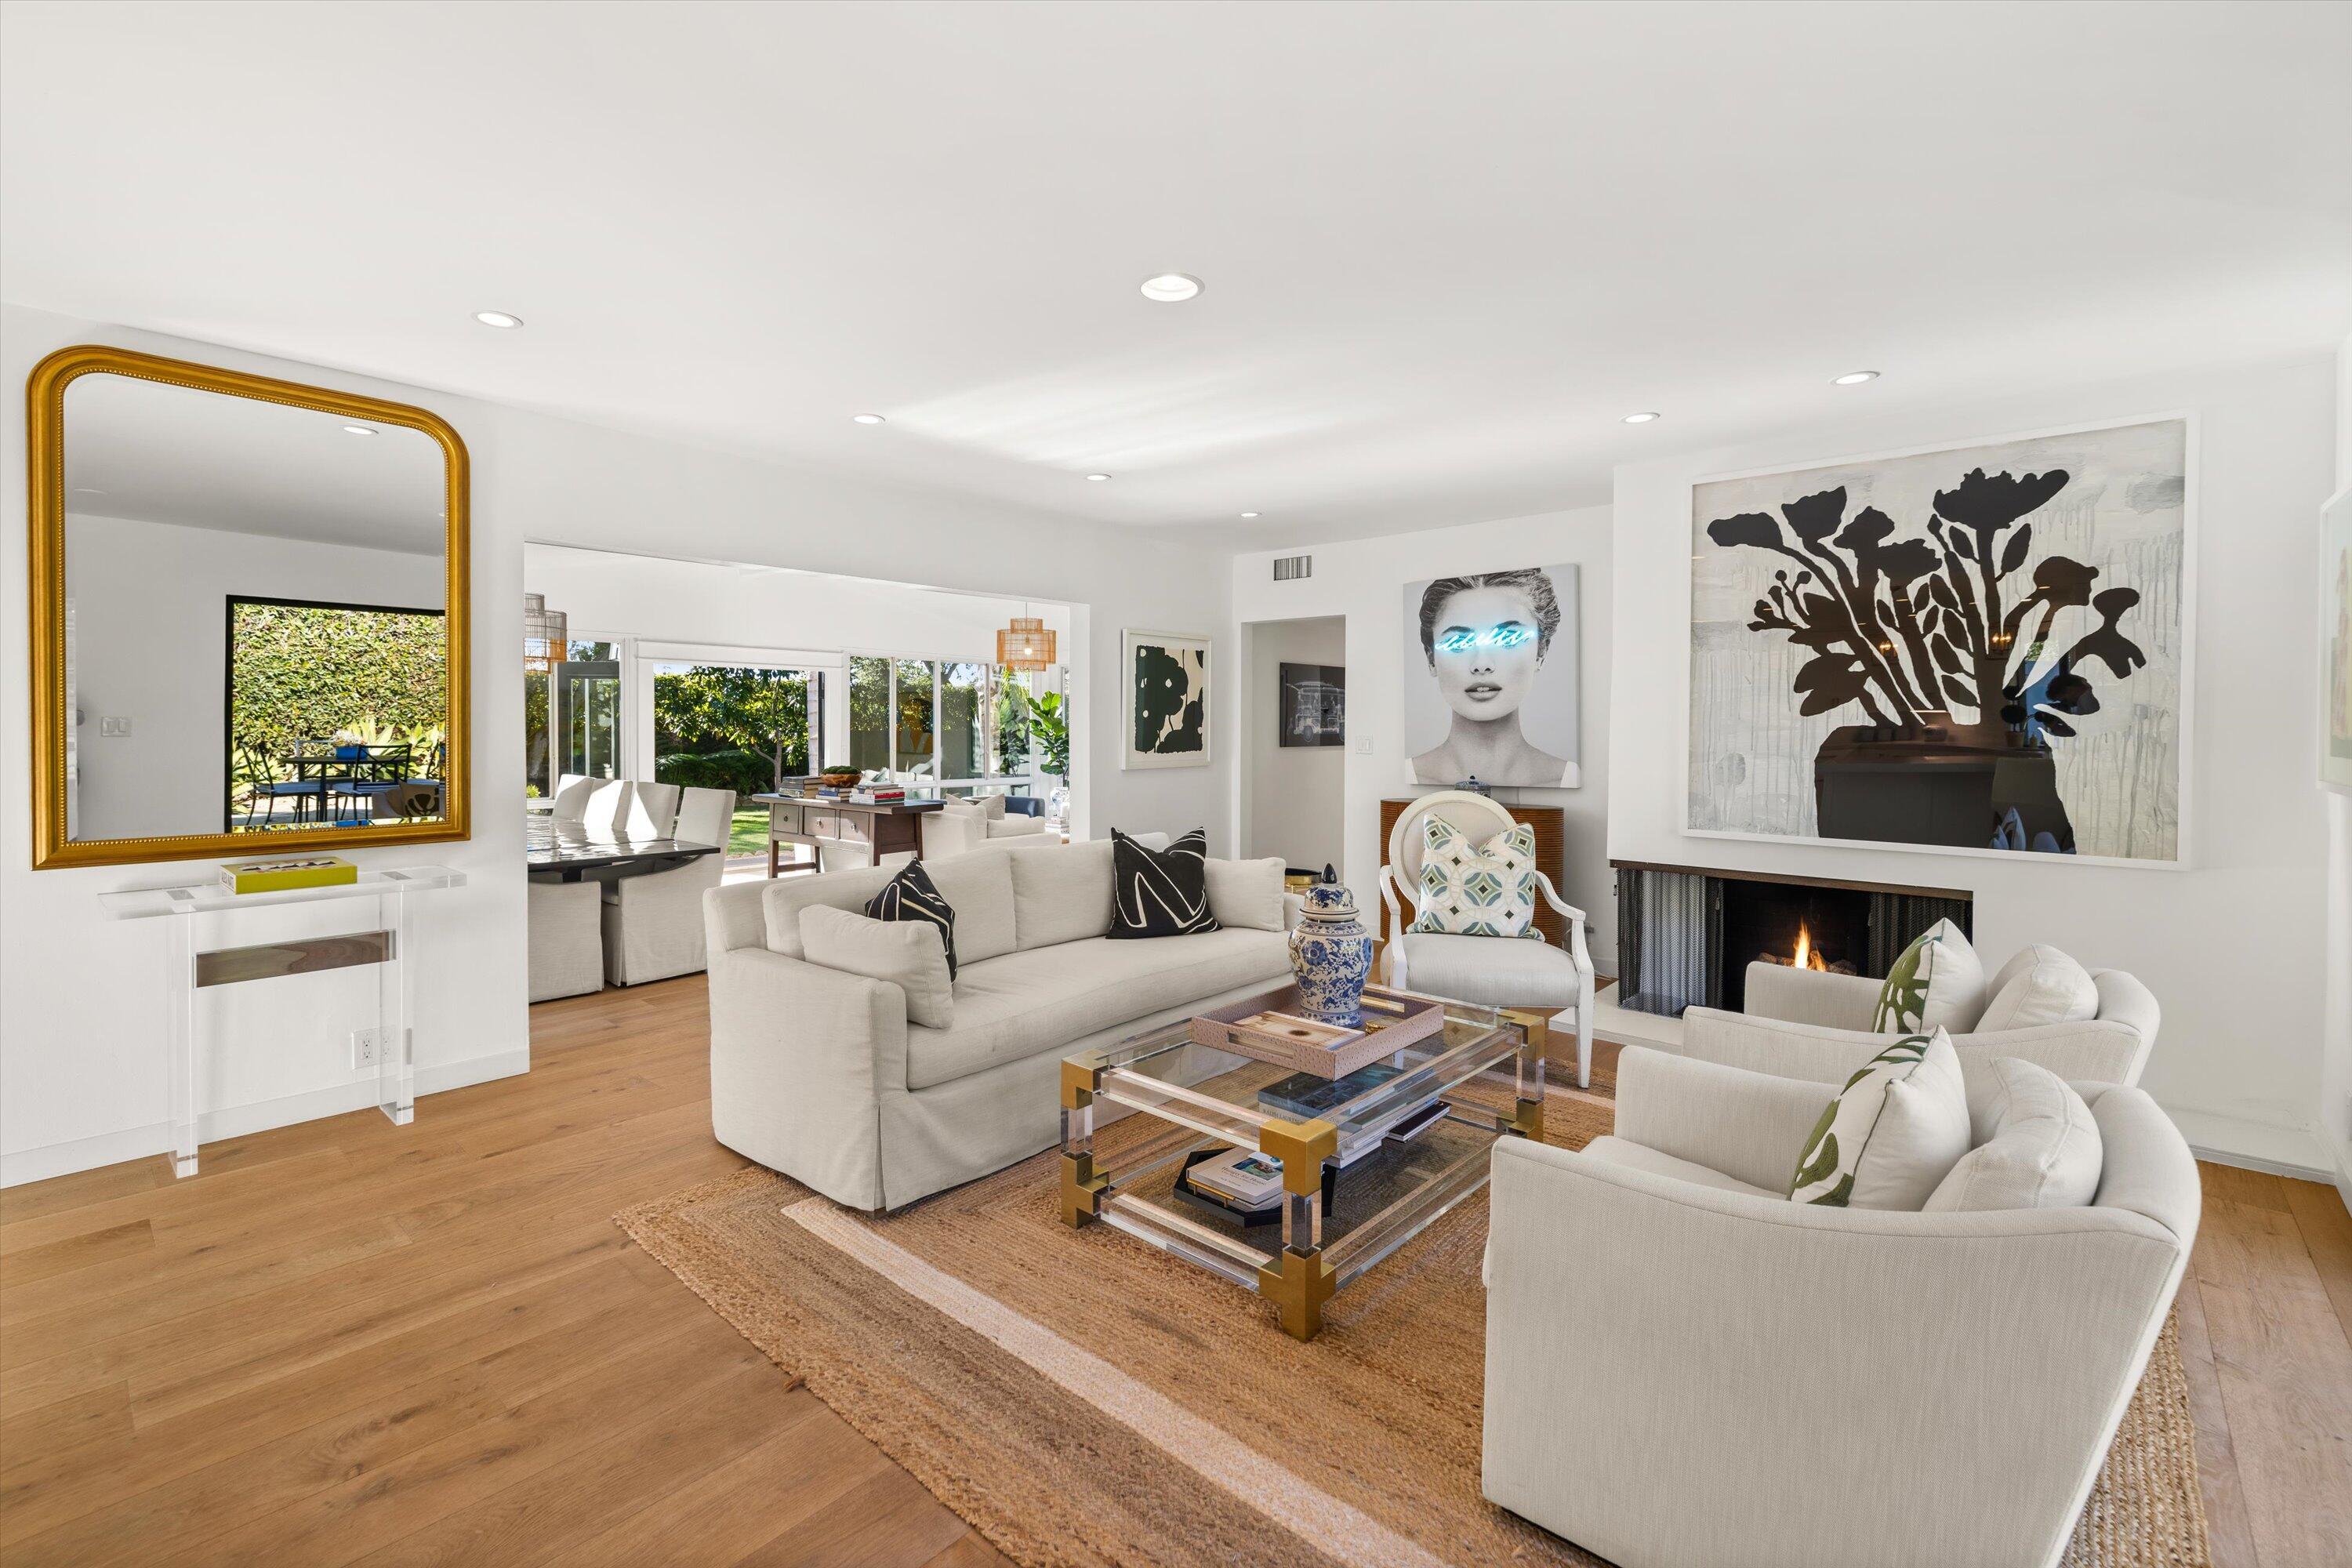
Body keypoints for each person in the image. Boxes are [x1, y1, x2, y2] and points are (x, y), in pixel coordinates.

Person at [1410, 568, 1572, 786]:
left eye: (1508, 638)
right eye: (1458, 642)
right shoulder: (1409, 775)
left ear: (1541, 652)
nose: (1481, 665)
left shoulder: (1566, 777)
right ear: (1431, 658)